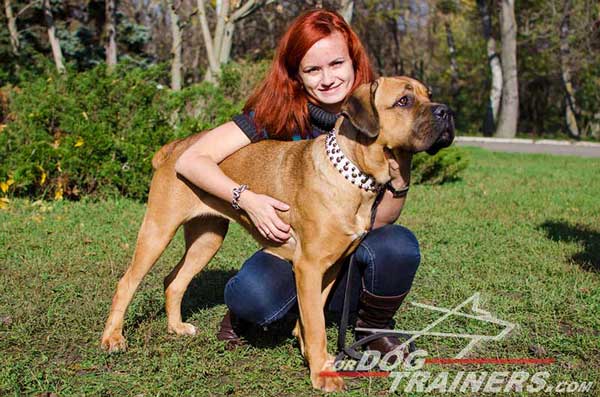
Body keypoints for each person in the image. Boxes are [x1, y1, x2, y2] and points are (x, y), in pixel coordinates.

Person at [175, 9, 420, 355]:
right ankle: (267, 313)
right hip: (290, 245)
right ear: (296, 75)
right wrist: (245, 199)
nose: (328, 78)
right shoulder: (273, 112)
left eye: (336, 64)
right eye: (312, 69)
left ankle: (372, 327)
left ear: (353, 61)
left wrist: (401, 171)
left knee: (397, 246)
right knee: (254, 296)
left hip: (349, 239)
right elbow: (190, 160)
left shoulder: (378, 104)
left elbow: (382, 219)